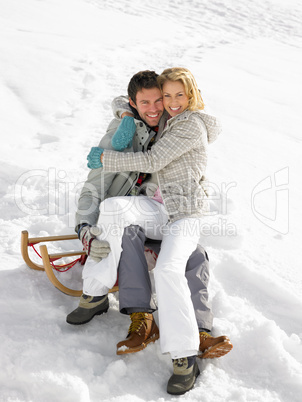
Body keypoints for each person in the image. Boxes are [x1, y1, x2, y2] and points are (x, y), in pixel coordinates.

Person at [86, 67, 232, 395]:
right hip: (158, 210)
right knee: (115, 212)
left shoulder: (189, 124)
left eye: (179, 95)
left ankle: (186, 352)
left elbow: (152, 161)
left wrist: (104, 159)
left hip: (184, 215)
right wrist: (124, 113)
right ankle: (95, 291)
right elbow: (134, 99)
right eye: (167, 96)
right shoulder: (165, 117)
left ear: (191, 94)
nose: (170, 101)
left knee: (172, 267)